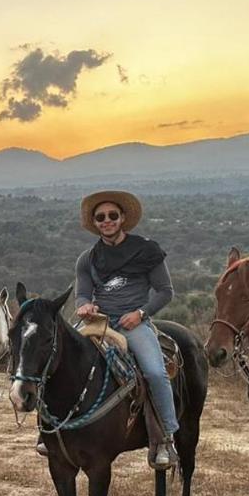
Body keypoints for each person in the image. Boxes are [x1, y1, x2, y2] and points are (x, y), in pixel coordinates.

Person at [72, 191, 179, 469]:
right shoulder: (88, 259)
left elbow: (165, 291)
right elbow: (82, 294)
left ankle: (166, 436)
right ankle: (49, 428)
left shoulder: (146, 251)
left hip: (133, 322)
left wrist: (140, 313)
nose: (106, 221)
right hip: (100, 322)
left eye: (112, 216)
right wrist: (84, 306)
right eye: (100, 217)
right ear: (95, 223)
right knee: (58, 354)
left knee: (156, 372)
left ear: (123, 219)